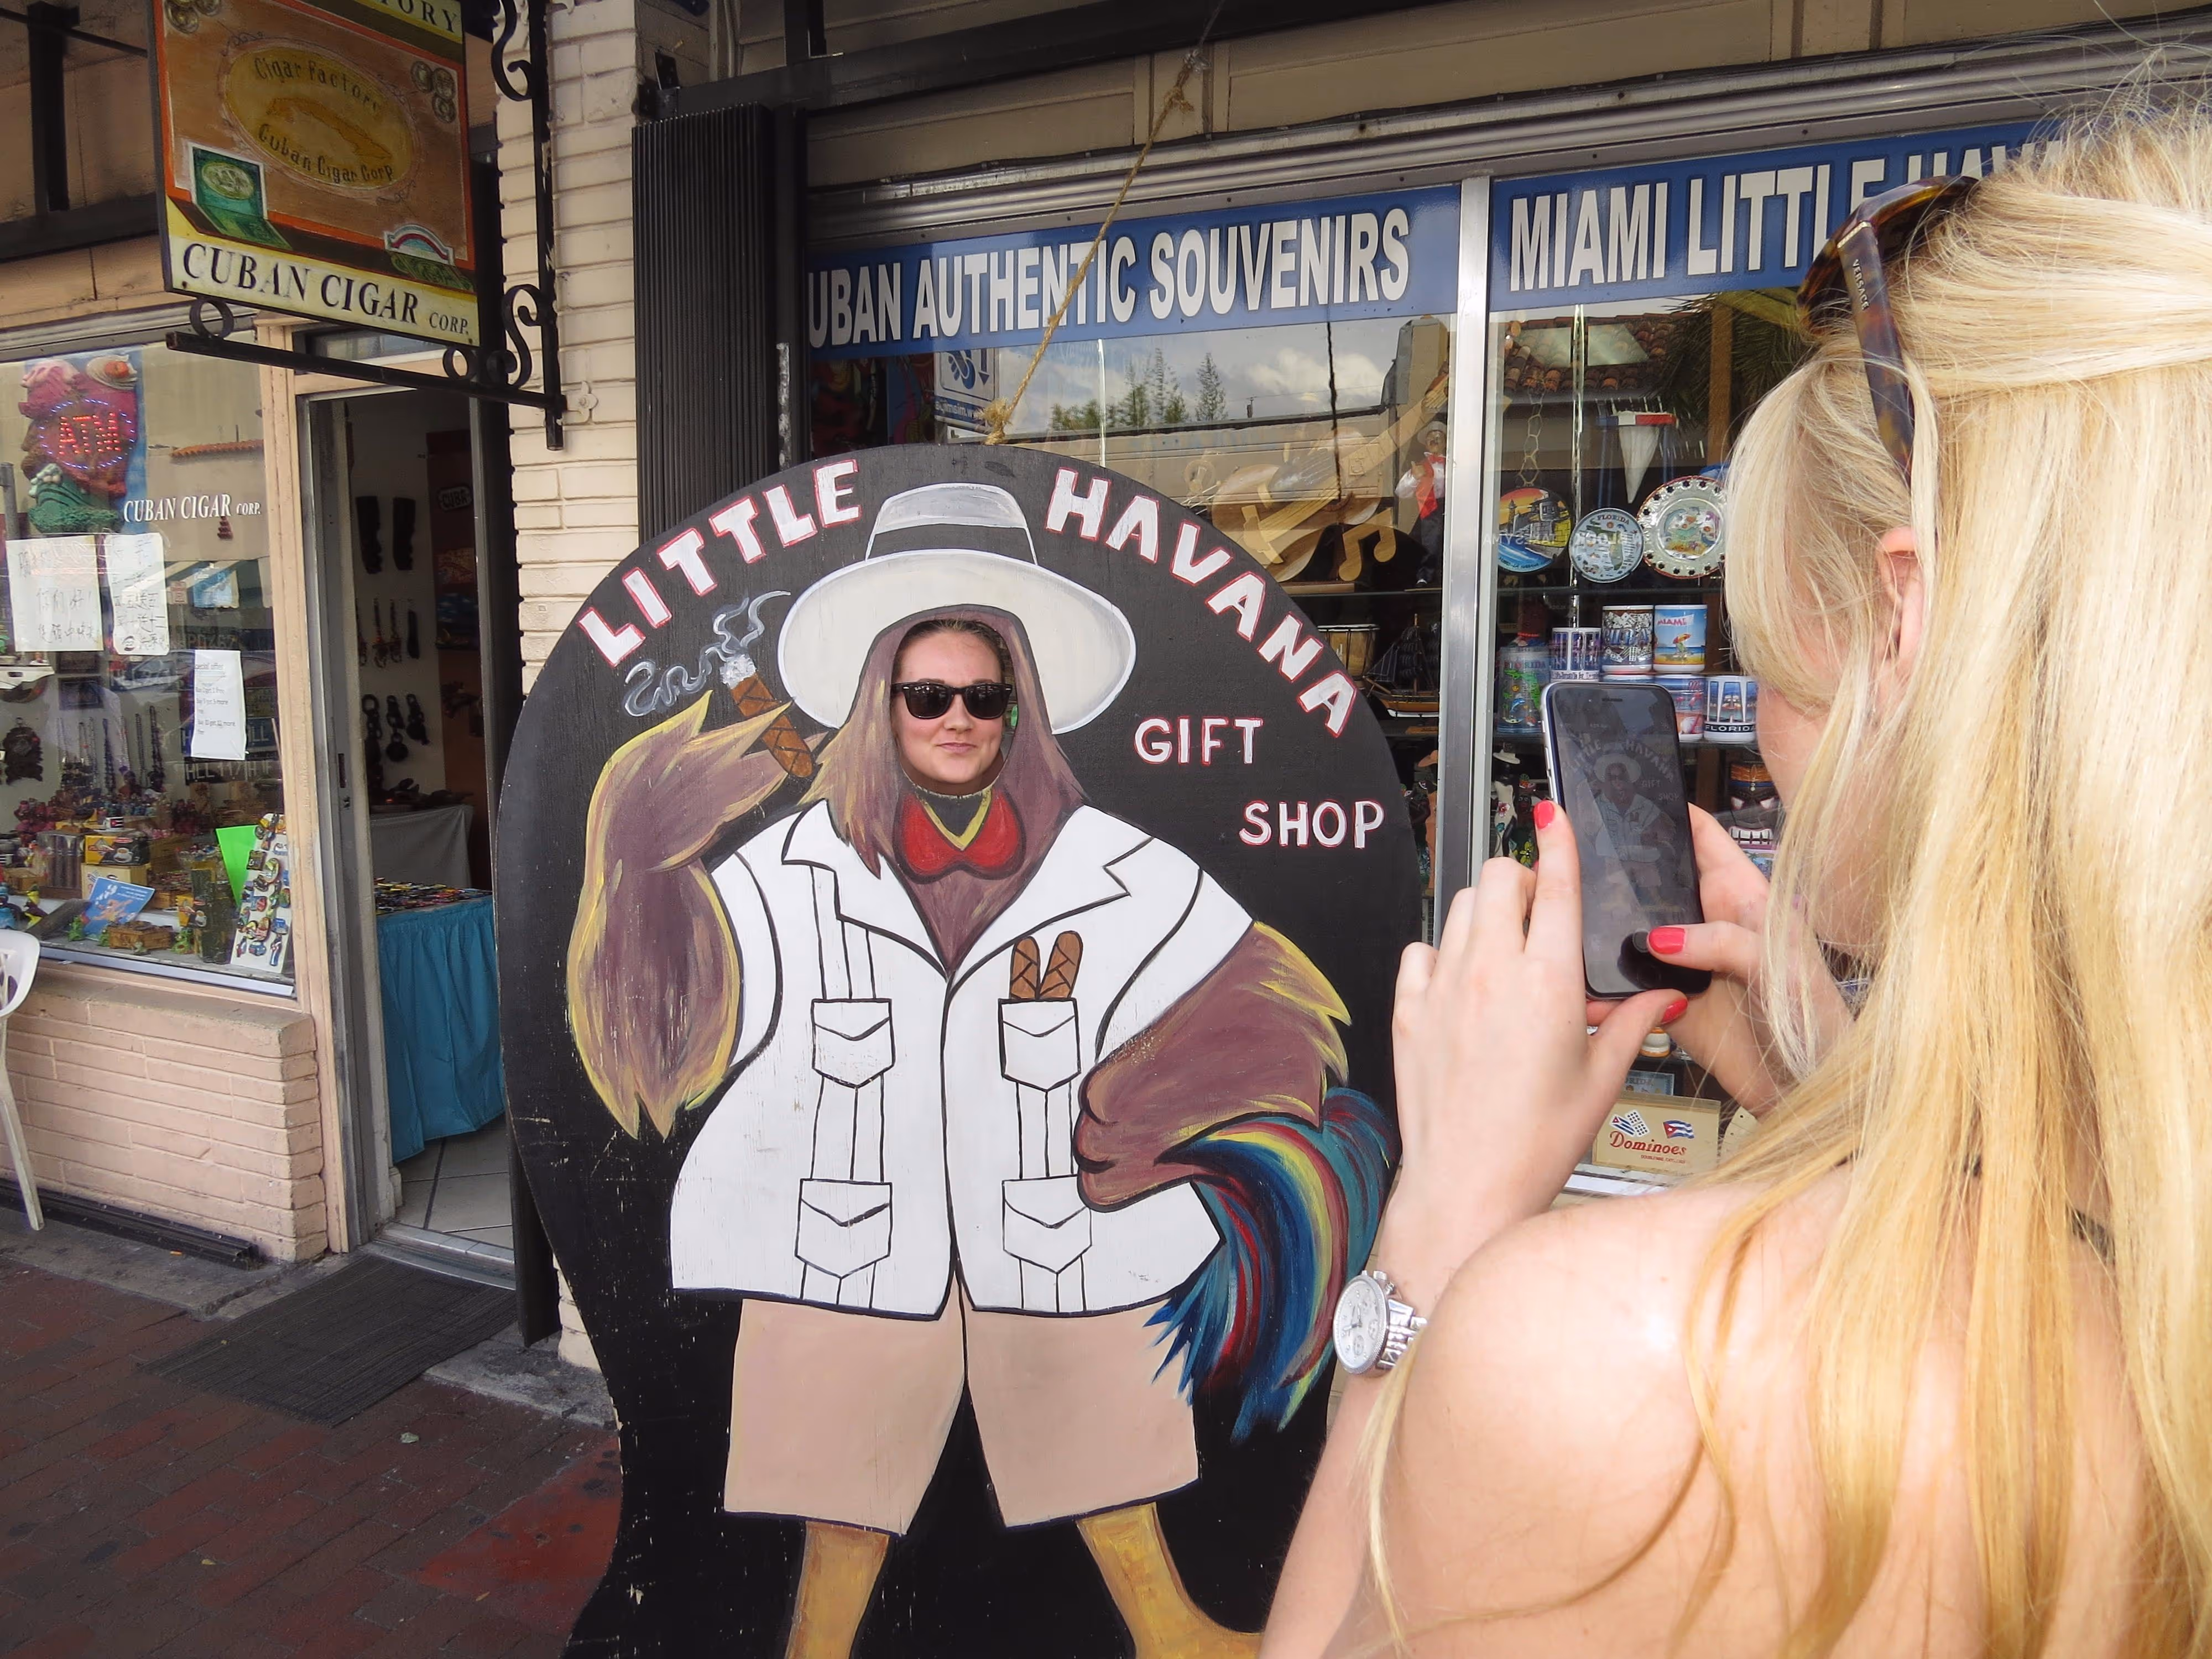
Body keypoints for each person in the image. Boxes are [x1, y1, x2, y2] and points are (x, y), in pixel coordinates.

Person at [1264, 106, 2211, 1656]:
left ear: (1907, 628)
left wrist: (1437, 1234)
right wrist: (1864, 1098)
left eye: (1773, 664)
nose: (1764, 756)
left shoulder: (1627, 1370)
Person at [565, 482, 1391, 1659]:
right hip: (843, 1232)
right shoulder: (788, 868)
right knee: (839, 1451)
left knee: (1104, 1422)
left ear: (1019, 712)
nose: (955, 718)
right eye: (926, 695)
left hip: (1057, 1231)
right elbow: (664, 1042)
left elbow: (1262, 995)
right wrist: (639, 858)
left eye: (982, 696)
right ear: (880, 706)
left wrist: (1161, 1110)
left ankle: (1168, 1635)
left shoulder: (1115, 866)